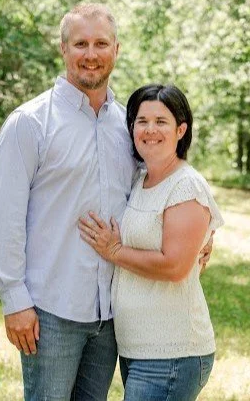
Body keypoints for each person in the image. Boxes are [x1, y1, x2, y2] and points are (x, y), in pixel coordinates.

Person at [0, 4, 213, 400]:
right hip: (50, 310)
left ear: (116, 50)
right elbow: (4, 218)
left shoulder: (126, 127)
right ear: (63, 49)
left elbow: (161, 189)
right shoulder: (30, 123)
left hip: (111, 316)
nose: (90, 54)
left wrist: (200, 236)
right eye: (80, 44)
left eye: (101, 44)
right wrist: (13, 299)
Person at [79, 84, 224, 401]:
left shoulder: (185, 185)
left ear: (181, 129)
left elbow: (174, 266)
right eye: (142, 121)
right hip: (138, 349)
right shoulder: (141, 179)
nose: (150, 130)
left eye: (161, 121)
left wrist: (114, 251)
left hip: (173, 353)